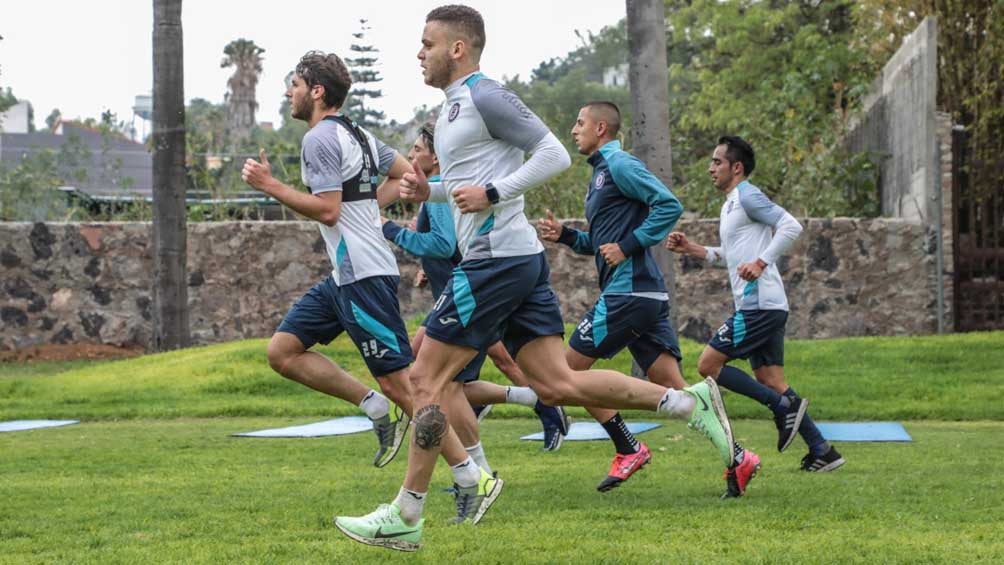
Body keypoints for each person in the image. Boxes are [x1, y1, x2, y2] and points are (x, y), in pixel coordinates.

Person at [335, 6, 743, 552]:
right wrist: (427, 192)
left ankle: (410, 512)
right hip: (515, 258)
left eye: (427, 43)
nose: (419, 53)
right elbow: (469, 186)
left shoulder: (485, 95)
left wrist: (496, 195)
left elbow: (552, 153)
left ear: (458, 48)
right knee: (556, 384)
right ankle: (687, 403)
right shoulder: (455, 109)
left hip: (494, 261)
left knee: (422, 382)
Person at [538, 101, 761, 494]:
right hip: (643, 295)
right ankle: (738, 457)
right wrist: (568, 237)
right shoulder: (601, 175)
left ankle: (628, 446)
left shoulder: (620, 165)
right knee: (681, 393)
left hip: (630, 293)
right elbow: (603, 241)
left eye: (580, 123)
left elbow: (668, 205)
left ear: (601, 127)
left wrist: (627, 246)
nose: (574, 130)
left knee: (565, 375)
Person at [380, 124, 569, 473]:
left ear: (436, 157)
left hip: (469, 289)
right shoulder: (437, 189)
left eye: (418, 149)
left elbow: (443, 244)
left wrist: (389, 229)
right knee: (453, 378)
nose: (411, 156)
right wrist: (427, 266)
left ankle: (477, 473)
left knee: (450, 380)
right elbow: (448, 243)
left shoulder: (440, 188)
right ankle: (533, 401)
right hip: (458, 287)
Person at [665, 135, 845, 478]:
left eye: (717, 162)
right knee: (771, 378)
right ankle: (823, 450)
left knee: (708, 365)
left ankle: (781, 409)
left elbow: (791, 226)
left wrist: (761, 262)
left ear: (737, 167)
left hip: (758, 306)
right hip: (768, 305)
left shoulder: (747, 195)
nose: (710, 168)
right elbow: (731, 259)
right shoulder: (732, 204)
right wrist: (693, 249)